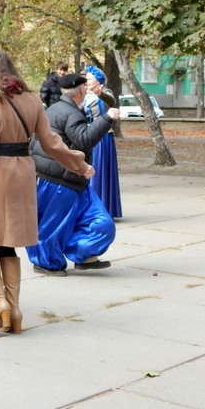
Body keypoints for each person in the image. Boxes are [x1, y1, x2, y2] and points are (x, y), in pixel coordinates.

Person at [0, 51, 92, 334]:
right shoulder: (31, 99)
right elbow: (52, 143)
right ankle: (14, 308)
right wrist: (79, 165)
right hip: (23, 173)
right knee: (7, 242)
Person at [27, 73, 120, 276]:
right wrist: (108, 118)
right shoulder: (71, 113)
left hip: (68, 178)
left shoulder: (54, 109)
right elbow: (84, 139)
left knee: (99, 221)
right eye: (85, 89)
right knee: (52, 225)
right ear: (80, 91)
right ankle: (45, 262)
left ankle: (84, 255)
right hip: (61, 180)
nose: (86, 92)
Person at [84, 66, 122, 218]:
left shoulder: (105, 91)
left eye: (89, 79)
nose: (87, 82)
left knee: (98, 170)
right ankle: (90, 208)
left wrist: (100, 94)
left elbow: (112, 101)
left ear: (98, 81)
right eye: (86, 79)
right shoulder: (85, 94)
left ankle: (101, 208)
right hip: (88, 135)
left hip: (102, 137)